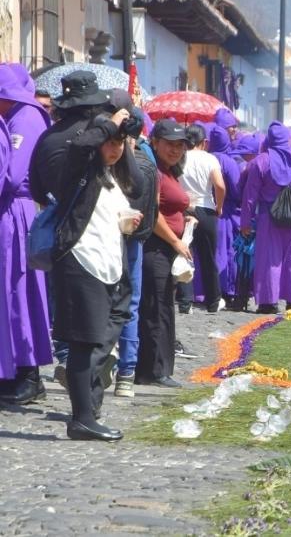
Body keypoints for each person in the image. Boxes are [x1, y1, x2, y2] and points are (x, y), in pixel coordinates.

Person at [50, 110, 145, 440]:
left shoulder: (111, 174)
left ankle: (89, 409)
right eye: (109, 143)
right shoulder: (78, 167)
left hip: (108, 266)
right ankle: (82, 419)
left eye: (120, 143)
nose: (115, 148)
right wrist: (108, 124)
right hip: (81, 262)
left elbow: (139, 184)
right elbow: (80, 147)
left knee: (100, 339)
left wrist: (126, 140)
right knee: (82, 341)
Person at [29, 71, 113, 389]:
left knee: (63, 310)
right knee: (95, 323)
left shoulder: (46, 137)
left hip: (58, 233)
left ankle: (65, 359)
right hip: (91, 234)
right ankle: (86, 402)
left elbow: (37, 189)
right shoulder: (93, 138)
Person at [0, 64, 52, 403]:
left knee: (18, 291)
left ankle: (28, 373)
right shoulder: (18, 116)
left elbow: (14, 175)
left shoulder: (26, 118)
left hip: (16, 211)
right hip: (12, 210)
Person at [138, 120, 192, 389]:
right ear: (156, 142)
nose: (175, 149)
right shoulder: (154, 170)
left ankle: (159, 367)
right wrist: (175, 241)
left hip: (167, 248)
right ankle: (153, 370)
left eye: (180, 145)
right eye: (170, 144)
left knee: (163, 306)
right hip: (156, 247)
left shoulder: (169, 170)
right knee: (156, 308)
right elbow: (153, 212)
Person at [241, 123, 291, 312]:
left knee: (269, 259)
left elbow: (250, 196)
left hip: (269, 217)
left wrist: (245, 222)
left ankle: (268, 302)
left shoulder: (261, 161)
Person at [113, 110, 157, 399]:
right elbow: (152, 207)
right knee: (130, 302)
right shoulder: (149, 164)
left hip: (109, 239)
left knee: (107, 299)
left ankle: (105, 364)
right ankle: (126, 374)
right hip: (136, 241)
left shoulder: (109, 161)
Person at [177, 124, 226, 314]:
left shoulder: (179, 157)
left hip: (184, 209)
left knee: (184, 254)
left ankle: (184, 302)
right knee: (208, 258)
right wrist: (219, 206)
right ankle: (213, 301)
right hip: (206, 209)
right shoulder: (209, 159)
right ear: (203, 142)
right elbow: (220, 186)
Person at [208, 124, 242, 304]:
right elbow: (236, 190)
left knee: (205, 252)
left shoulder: (206, 158)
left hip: (205, 209)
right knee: (224, 251)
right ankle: (224, 289)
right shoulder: (228, 162)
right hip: (224, 211)